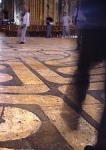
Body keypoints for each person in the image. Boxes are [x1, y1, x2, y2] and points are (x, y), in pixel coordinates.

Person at [68, 0, 106, 149]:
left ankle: (77, 101)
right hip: (95, 25)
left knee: (83, 69)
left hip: (95, 28)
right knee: (82, 69)